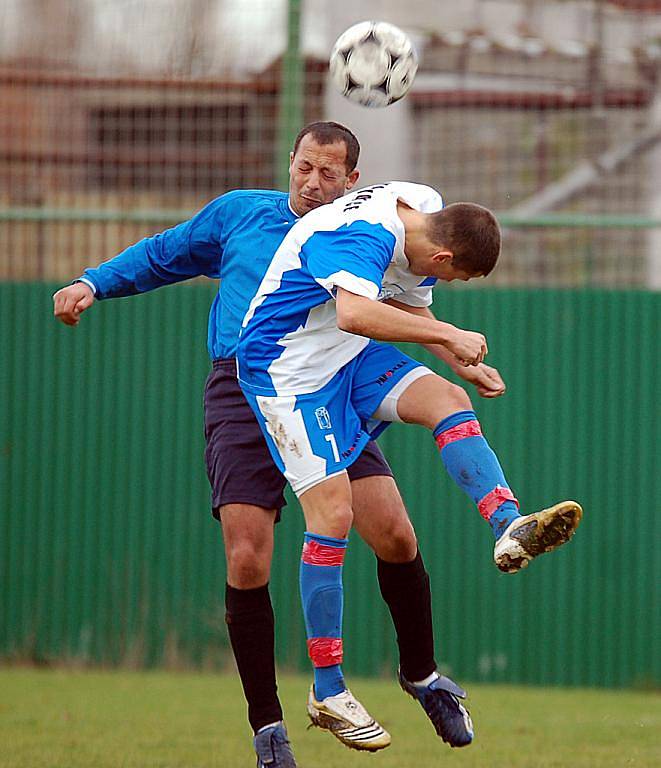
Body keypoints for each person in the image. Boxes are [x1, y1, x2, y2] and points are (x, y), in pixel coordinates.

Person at [52, 124, 503, 765]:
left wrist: (452, 356)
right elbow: (163, 253)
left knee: (396, 534)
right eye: (304, 167)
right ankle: (268, 725)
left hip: (331, 382)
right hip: (244, 391)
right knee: (247, 557)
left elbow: (401, 303)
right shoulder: (241, 215)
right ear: (290, 163)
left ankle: (422, 676)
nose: (313, 183)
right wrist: (92, 283)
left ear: (353, 181)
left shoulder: (366, 234)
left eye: (329, 173)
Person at [236, 180, 583, 747]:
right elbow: (354, 312)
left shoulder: (424, 207)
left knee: (450, 401)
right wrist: (449, 334)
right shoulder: (361, 238)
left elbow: (400, 304)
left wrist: (456, 360)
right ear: (443, 256)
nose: (446, 283)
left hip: (344, 357)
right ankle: (327, 688)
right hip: (287, 369)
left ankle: (507, 526)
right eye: (454, 276)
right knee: (333, 516)